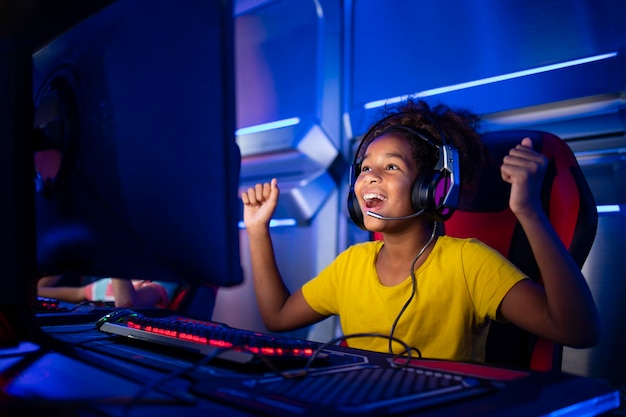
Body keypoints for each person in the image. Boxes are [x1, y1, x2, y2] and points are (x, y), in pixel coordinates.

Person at [240, 98, 600, 363]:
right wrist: (258, 231)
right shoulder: (351, 264)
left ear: (433, 187)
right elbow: (279, 316)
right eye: (364, 168)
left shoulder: (467, 262)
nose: (370, 177)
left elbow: (577, 330)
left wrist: (529, 212)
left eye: (392, 166)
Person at [37, 275, 178, 309]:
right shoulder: (108, 281)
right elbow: (79, 294)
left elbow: (126, 302)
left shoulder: (163, 282)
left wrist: (114, 251)